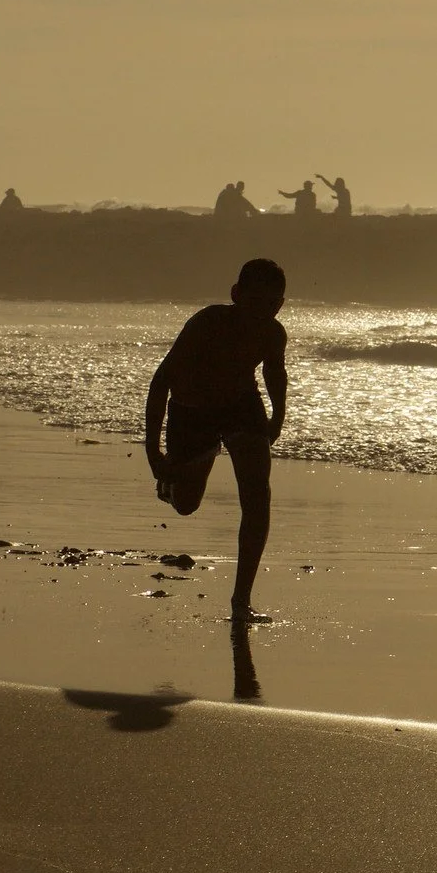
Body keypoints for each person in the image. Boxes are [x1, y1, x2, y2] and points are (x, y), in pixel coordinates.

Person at [144, 258, 290, 624]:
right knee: (187, 504)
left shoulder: (273, 333)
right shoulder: (207, 323)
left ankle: (241, 601)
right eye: (257, 302)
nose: (265, 311)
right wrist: (152, 449)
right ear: (236, 295)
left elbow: (274, 371)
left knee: (258, 496)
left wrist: (278, 416)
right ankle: (170, 484)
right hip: (192, 411)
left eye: (274, 304)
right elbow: (161, 381)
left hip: (242, 404)